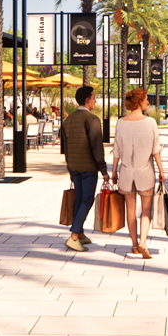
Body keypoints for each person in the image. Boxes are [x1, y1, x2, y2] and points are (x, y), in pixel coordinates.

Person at [111, 87, 165, 259]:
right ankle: (143, 242)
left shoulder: (121, 122)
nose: (148, 102)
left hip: (126, 172)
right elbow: (156, 150)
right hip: (145, 172)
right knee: (146, 210)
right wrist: (162, 171)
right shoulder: (150, 123)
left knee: (130, 210)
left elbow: (116, 150)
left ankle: (134, 245)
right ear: (140, 101)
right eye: (146, 99)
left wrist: (113, 172)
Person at [60, 86, 106, 252]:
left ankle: (79, 233)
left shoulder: (68, 120)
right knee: (87, 200)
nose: (95, 100)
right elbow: (97, 148)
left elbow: (65, 147)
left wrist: (70, 169)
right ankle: (73, 236)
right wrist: (104, 170)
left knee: (79, 199)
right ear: (87, 99)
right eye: (94, 97)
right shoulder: (92, 120)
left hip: (75, 167)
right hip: (88, 167)